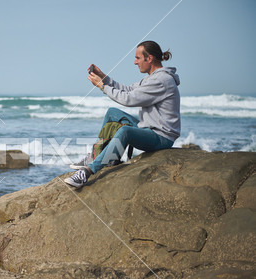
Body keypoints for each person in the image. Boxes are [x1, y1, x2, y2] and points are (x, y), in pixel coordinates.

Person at [64, 40, 181, 188]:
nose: (135, 62)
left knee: (125, 131)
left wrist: (102, 86)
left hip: (161, 137)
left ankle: (87, 172)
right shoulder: (152, 78)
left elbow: (129, 99)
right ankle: (100, 155)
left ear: (149, 58)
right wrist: (103, 77)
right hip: (149, 129)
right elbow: (127, 89)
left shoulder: (162, 80)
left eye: (138, 58)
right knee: (112, 113)